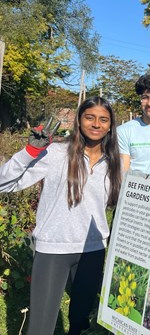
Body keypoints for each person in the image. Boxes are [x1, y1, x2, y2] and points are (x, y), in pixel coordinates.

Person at [0, 97, 122, 335]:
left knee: (80, 321)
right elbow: (4, 183)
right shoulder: (55, 153)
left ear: (110, 125)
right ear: (79, 120)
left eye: (103, 119)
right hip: (53, 249)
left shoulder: (113, 162)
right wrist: (30, 152)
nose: (96, 124)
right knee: (40, 327)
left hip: (93, 250)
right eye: (90, 117)